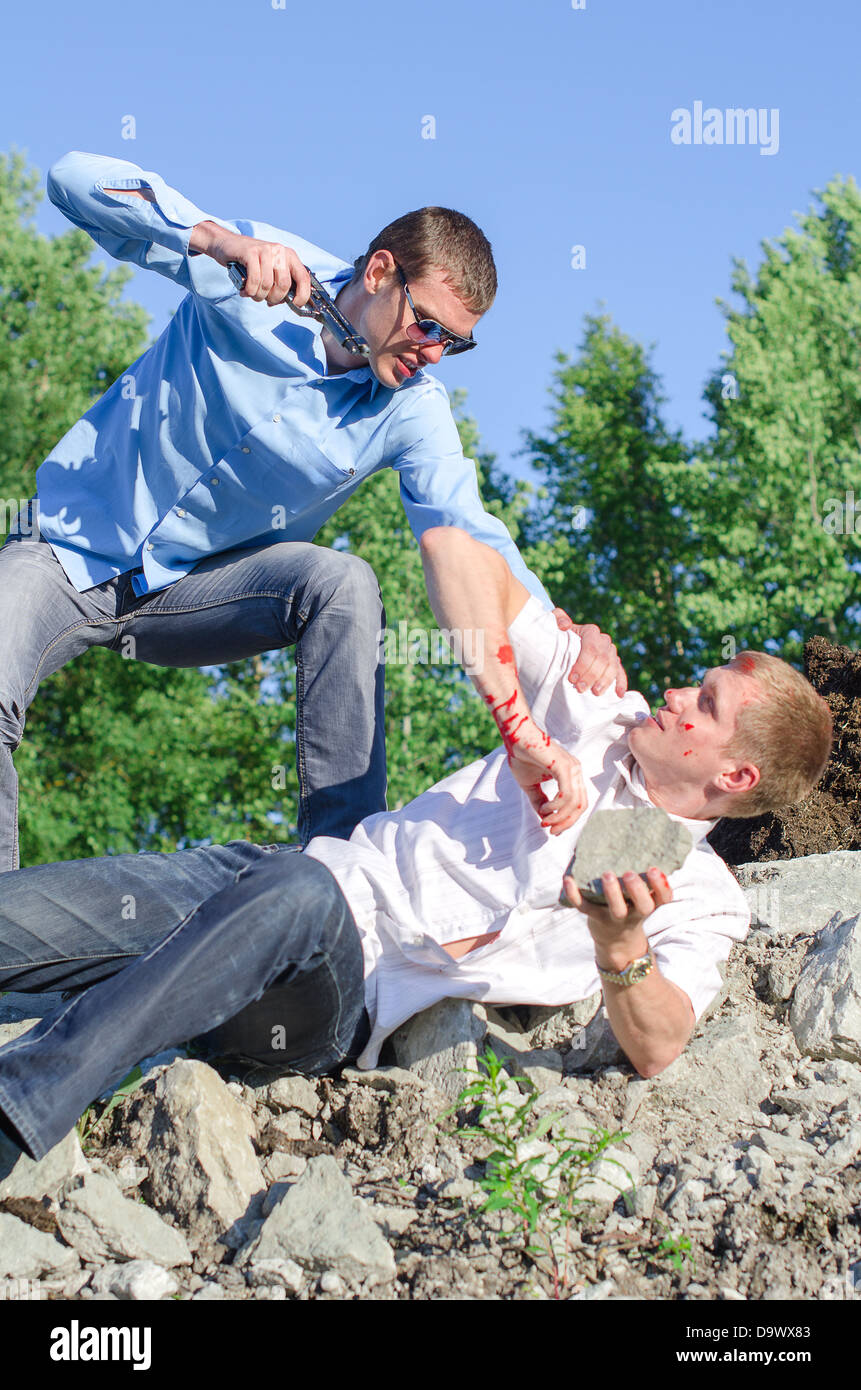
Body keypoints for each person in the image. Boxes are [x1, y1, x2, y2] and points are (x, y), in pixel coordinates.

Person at [0, 528, 832, 1164]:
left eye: (706, 704)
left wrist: (618, 946)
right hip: (256, 877)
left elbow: (658, 1046)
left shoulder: (704, 895)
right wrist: (520, 720)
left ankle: (22, 1105)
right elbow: (450, 549)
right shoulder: (592, 711)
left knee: (297, 896)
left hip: (334, 986)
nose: (680, 691)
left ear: (733, 775)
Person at [0, 150, 620, 872]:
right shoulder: (250, 271)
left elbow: (467, 532)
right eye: (427, 326)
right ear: (380, 271)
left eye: (455, 342)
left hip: (193, 596)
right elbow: (71, 180)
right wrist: (210, 238)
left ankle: (340, 874)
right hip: (70, 551)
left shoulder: (413, 411)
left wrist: (562, 634)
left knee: (343, 583)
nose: (434, 354)